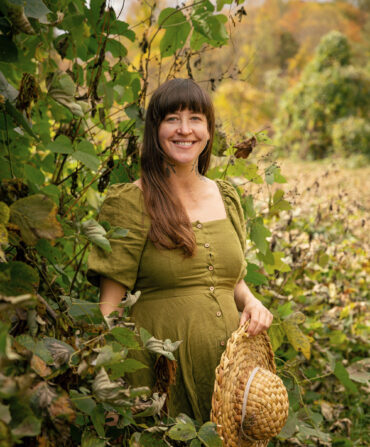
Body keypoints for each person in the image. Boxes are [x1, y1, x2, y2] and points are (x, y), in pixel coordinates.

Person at [87, 78, 273, 423]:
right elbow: (107, 308)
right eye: (172, 118)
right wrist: (109, 385)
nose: (184, 130)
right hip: (156, 380)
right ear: (155, 129)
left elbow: (230, 279)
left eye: (195, 119)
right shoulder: (130, 201)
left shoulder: (227, 197)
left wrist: (252, 302)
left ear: (208, 129)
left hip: (228, 376)